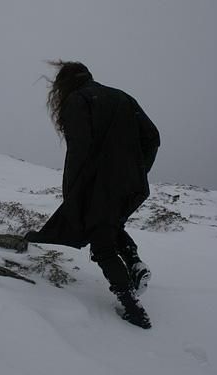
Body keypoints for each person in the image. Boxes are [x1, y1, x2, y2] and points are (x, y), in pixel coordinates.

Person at [25, 61, 160, 329]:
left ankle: (133, 309)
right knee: (109, 225)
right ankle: (134, 263)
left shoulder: (77, 100)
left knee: (101, 242)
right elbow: (153, 137)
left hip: (99, 181)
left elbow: (80, 150)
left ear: (64, 84)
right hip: (130, 181)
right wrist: (138, 170)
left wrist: (73, 191)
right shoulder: (122, 96)